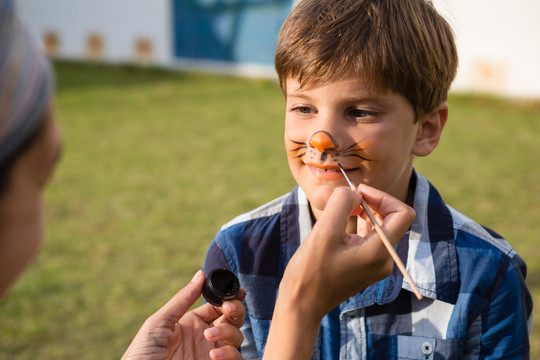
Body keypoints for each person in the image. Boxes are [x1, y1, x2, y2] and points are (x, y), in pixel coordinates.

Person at [202, 0, 534, 358]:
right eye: (304, 108)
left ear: (425, 129)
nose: (321, 139)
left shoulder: (488, 272)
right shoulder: (238, 253)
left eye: (359, 112)